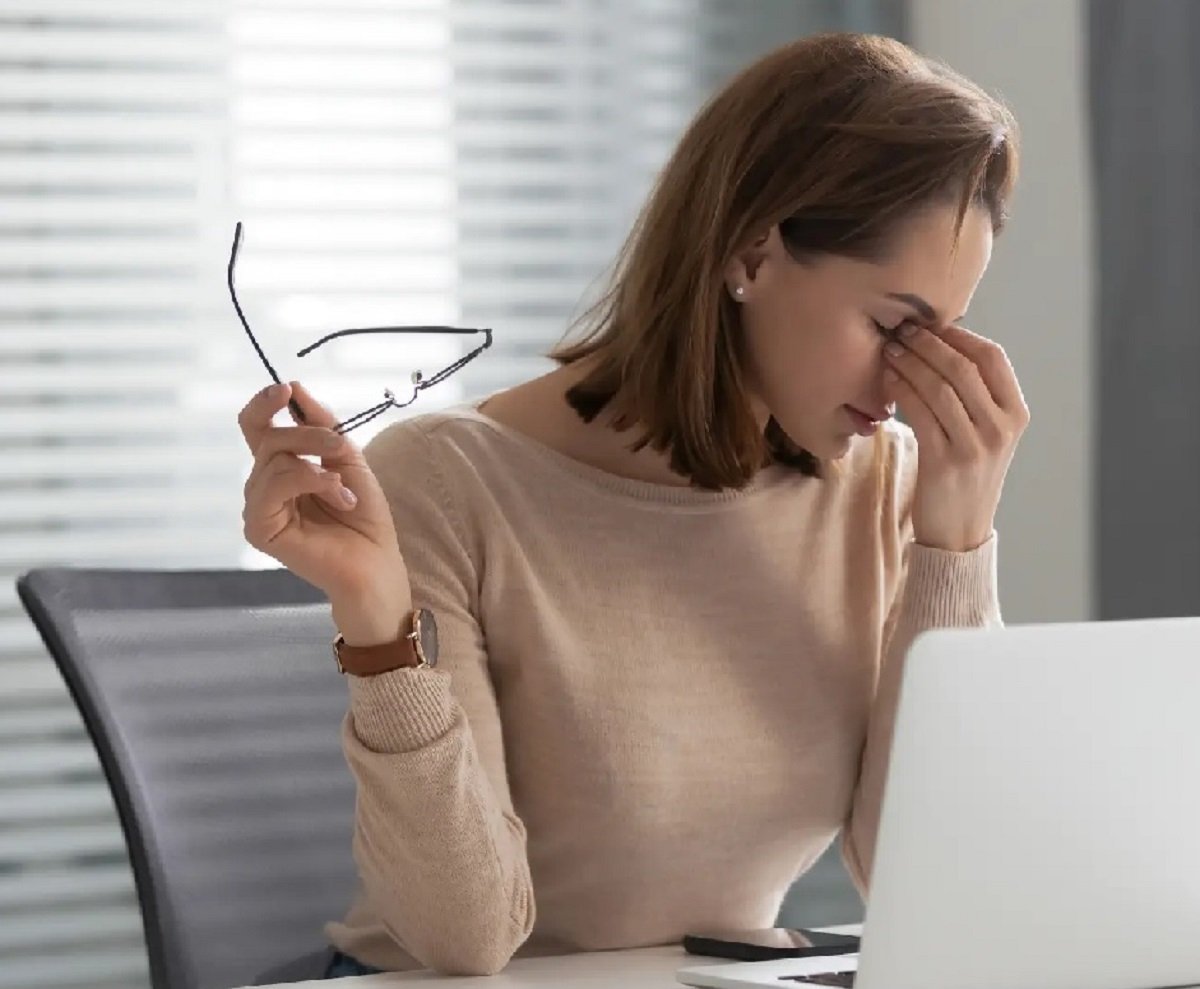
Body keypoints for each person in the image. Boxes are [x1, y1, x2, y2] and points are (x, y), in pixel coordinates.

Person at [237, 31, 1028, 979]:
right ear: (751, 251)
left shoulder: (885, 487)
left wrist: (955, 543)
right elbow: (465, 938)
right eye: (894, 325)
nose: (907, 382)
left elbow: (918, 877)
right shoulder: (452, 482)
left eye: (943, 334)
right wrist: (375, 624)